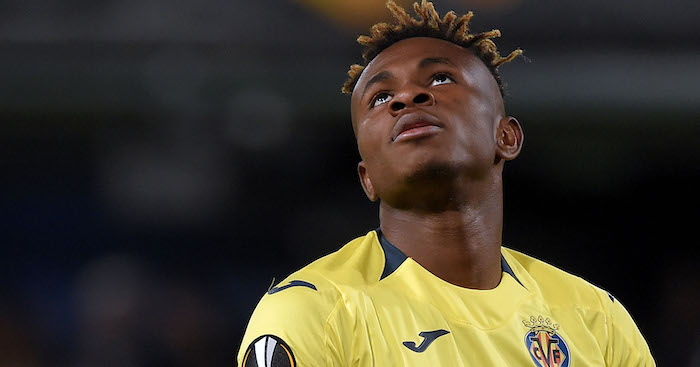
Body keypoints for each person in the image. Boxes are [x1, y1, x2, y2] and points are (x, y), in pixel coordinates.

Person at [236, 1, 655, 366]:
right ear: (367, 179)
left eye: (439, 79)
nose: (406, 99)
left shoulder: (596, 317)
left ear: (505, 137)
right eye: (381, 99)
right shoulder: (314, 312)